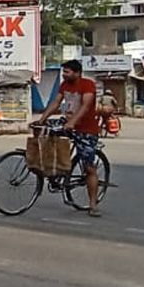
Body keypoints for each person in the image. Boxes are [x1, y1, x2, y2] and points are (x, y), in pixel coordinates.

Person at [36, 59, 103, 217]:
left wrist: (73, 122)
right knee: (49, 135)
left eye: (67, 72)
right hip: (68, 123)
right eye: (63, 72)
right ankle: (57, 169)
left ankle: (93, 204)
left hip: (87, 129)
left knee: (88, 168)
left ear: (77, 73)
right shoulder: (64, 85)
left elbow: (86, 106)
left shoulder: (87, 85)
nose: (64, 75)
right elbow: (56, 103)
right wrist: (42, 119)